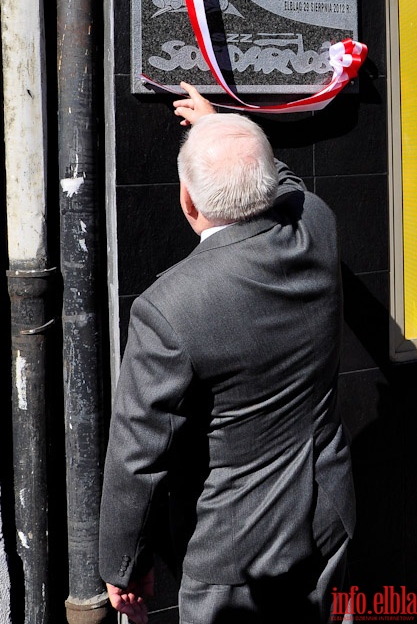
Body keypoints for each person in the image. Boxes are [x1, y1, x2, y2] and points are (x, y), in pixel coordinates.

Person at [99, 83, 355, 624]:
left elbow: (136, 455)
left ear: (188, 202)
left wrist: (123, 565)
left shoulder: (167, 307)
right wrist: (223, 131)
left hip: (237, 558)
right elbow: (284, 184)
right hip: (329, 513)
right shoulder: (320, 225)